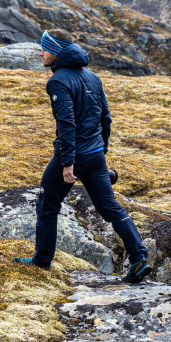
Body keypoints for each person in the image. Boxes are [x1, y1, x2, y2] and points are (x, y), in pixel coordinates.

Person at [13, 29, 152, 284]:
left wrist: (68, 163)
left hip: (74, 157)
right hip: (95, 156)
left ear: (56, 51)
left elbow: (66, 124)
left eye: (44, 48)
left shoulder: (57, 81)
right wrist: (101, 151)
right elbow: (105, 119)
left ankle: (41, 260)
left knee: (47, 206)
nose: (40, 52)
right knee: (111, 209)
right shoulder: (92, 77)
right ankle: (139, 258)